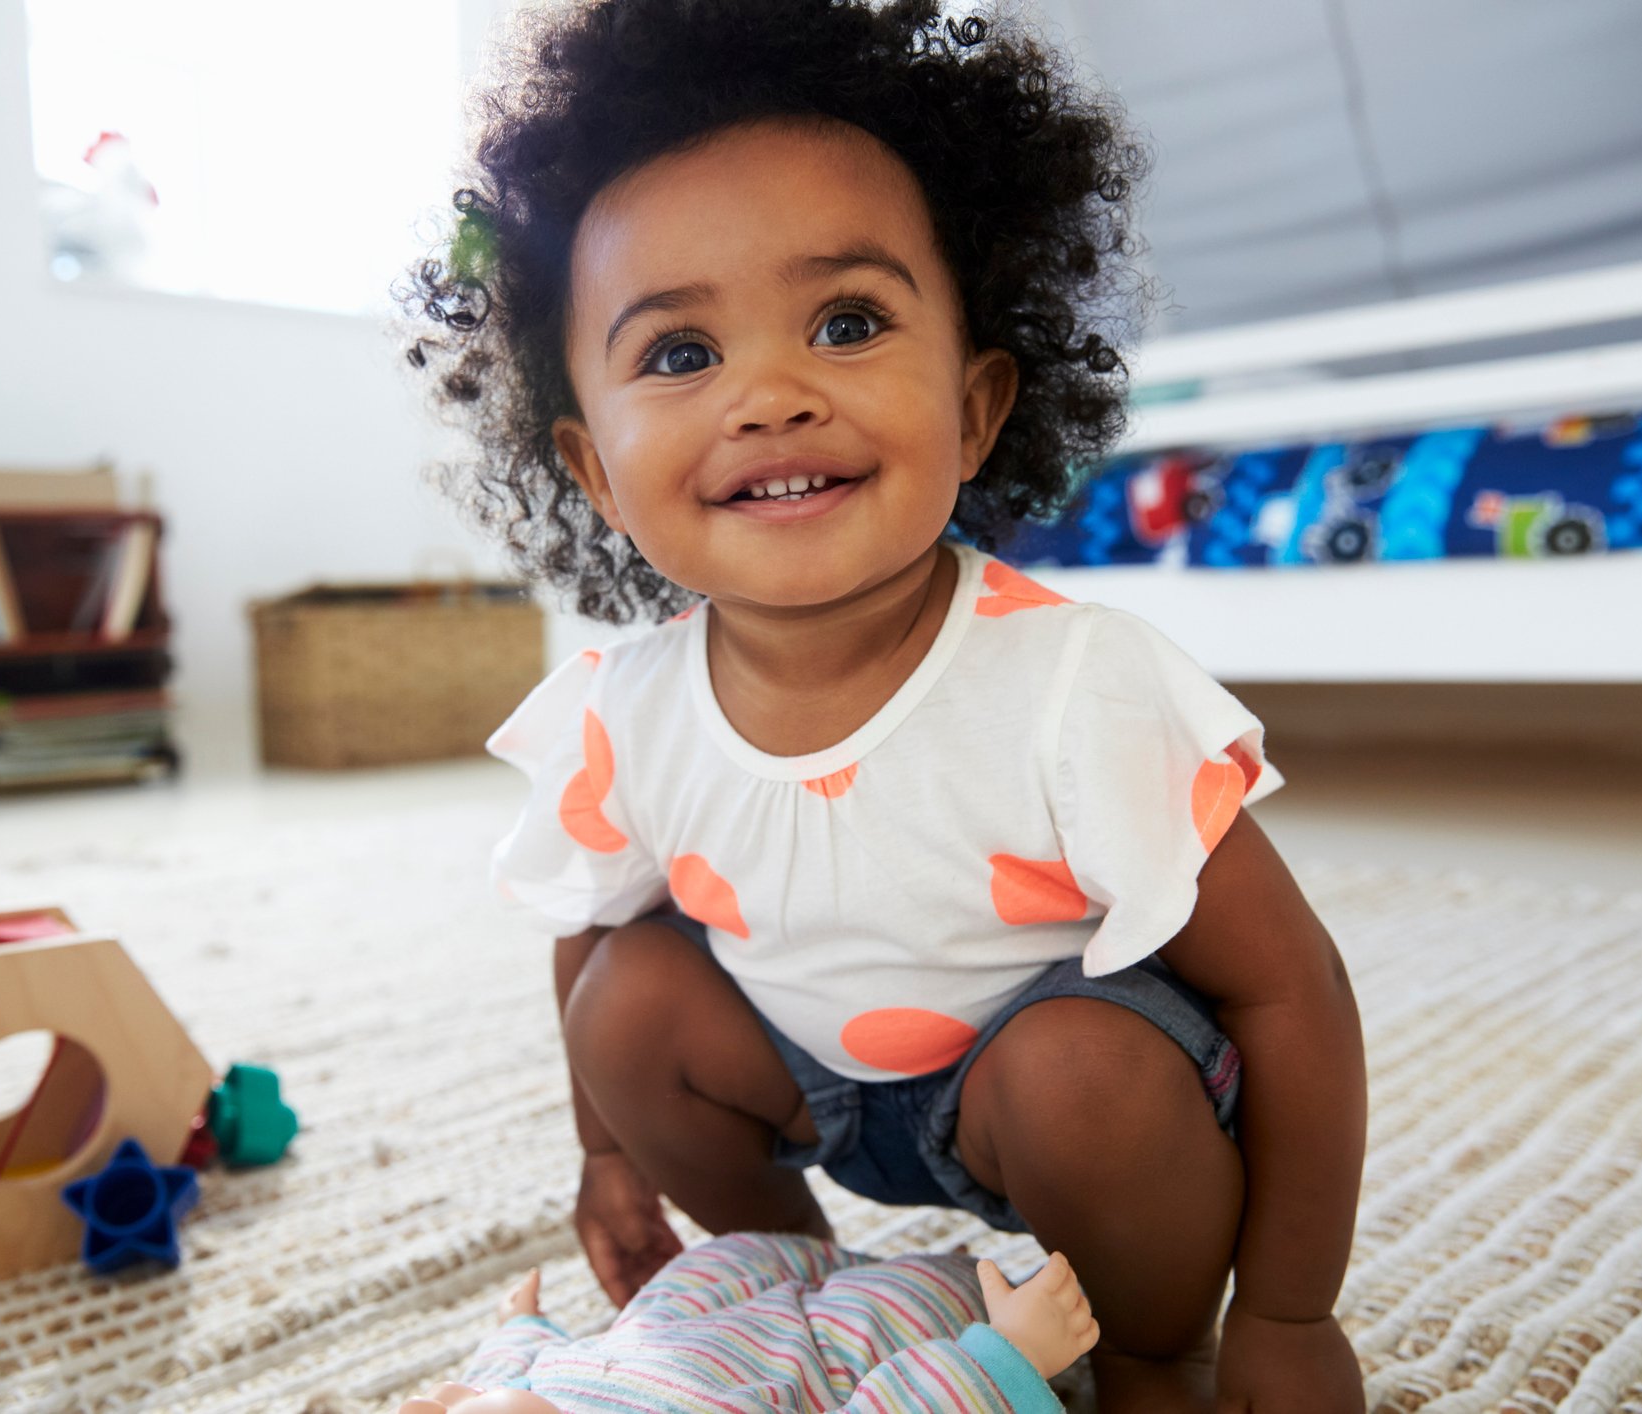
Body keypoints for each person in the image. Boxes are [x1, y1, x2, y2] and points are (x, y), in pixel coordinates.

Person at [401, 3, 1367, 1408]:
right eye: (679, 353)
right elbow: (589, 950)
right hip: (818, 1083)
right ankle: (806, 1293)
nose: (771, 395)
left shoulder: (1072, 682)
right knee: (627, 995)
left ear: (976, 407)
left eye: (845, 323)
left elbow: (1291, 987)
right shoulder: (627, 707)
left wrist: (1291, 1311)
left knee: (1079, 1078)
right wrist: (608, 1153)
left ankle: (1151, 1346)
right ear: (593, 470)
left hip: (1059, 1085)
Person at [397, 1232, 1097, 1413]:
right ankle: (1015, 1323)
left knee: (709, 1265)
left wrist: (514, 1329)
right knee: (923, 1297)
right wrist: (1006, 1355)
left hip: (679, 1322)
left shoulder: (516, 1393)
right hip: (836, 1353)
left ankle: (808, 1244)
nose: (426, 1402)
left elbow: (503, 1382)